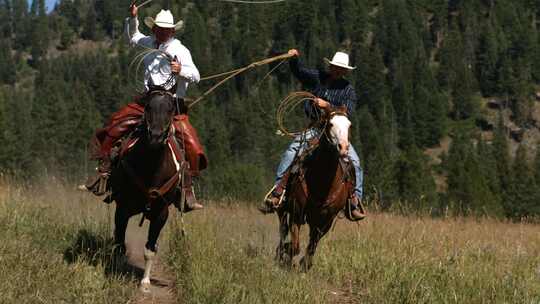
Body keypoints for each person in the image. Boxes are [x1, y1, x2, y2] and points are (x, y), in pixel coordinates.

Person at [85, 5, 205, 210]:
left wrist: (180, 70)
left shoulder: (180, 50)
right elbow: (133, 37)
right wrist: (133, 18)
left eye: (165, 29)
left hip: (172, 107)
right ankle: (104, 172)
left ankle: (186, 189)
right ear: (154, 29)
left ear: (172, 31)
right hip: (147, 103)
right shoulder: (149, 43)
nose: (160, 32)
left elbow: (196, 76)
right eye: (158, 28)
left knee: (192, 145)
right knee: (115, 125)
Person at [259, 49, 365, 220]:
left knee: (355, 163)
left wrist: (326, 105)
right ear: (330, 66)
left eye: (341, 68)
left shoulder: (348, 90)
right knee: (291, 152)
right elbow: (299, 72)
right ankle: (278, 191)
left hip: (336, 131)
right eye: (335, 67)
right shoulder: (318, 77)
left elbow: (347, 111)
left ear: (346, 71)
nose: (337, 70)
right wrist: (294, 59)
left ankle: (354, 201)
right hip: (315, 127)